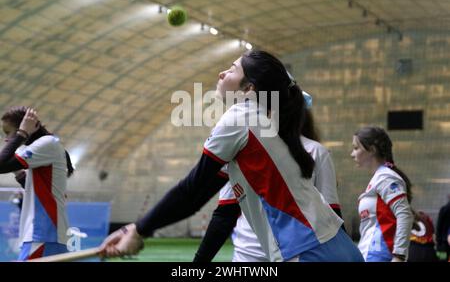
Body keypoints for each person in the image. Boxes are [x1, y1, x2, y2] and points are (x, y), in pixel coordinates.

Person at [100, 50, 364, 262]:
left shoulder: (240, 117)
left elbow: (192, 190)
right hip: (337, 247)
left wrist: (140, 230)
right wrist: (133, 229)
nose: (221, 72)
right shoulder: (266, 127)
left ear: (249, 88)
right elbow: (203, 195)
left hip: (305, 250)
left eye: (232, 69)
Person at [193, 92, 344, 262]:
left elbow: (332, 212)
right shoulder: (242, 150)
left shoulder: (316, 152)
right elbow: (225, 214)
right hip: (248, 255)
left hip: (298, 252)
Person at [0, 106, 74, 260]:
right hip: (48, 235)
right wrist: (18, 172)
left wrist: (21, 133)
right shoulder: (42, 148)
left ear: (25, 126)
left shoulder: (47, 143)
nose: (7, 139)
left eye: (8, 132)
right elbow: (38, 190)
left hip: (43, 234)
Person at [351, 126, 413, 262]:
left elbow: (405, 215)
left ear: (372, 149)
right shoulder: (379, 178)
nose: (352, 154)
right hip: (368, 255)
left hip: (381, 256)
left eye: (356, 148)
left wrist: (399, 256)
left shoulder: (386, 177)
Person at [436, 196, 450, 261]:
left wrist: (438, 240)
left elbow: (439, 226)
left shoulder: (444, 209)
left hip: (442, 242)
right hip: (444, 240)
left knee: (442, 259)